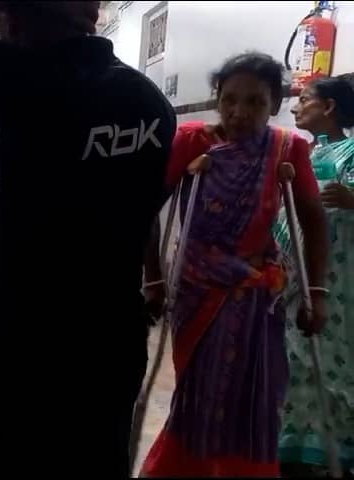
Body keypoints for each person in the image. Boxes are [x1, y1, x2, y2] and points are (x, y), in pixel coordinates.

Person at [0, 2, 177, 476]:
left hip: (33, 343)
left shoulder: (20, 79)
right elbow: (145, 211)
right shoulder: (150, 103)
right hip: (112, 336)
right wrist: (153, 277)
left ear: (12, 18)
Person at [141, 52, 330, 477]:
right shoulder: (192, 141)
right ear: (216, 98)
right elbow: (146, 209)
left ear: (275, 104)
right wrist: (153, 280)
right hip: (198, 290)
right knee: (199, 395)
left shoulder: (288, 148)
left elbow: (314, 218)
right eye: (229, 100)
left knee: (255, 397)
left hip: (259, 294)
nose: (239, 112)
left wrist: (316, 293)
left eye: (255, 102)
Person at [277, 76, 354, 476]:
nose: (294, 107)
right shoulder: (300, 152)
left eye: (304, 99)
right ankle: (292, 446)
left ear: (329, 107)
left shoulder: (352, 152)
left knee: (331, 362)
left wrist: (352, 199)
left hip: (337, 281)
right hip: (291, 275)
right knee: (294, 359)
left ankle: (330, 451)